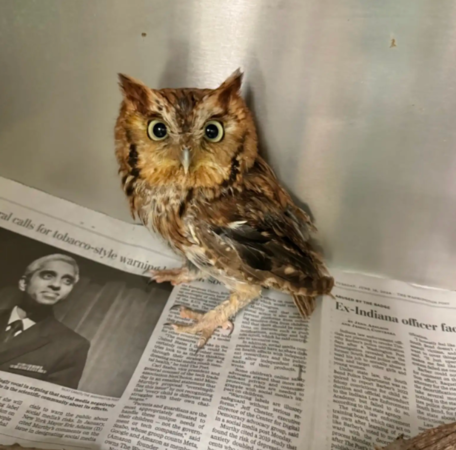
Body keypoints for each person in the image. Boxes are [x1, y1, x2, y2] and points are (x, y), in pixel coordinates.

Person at [0, 254, 90, 389]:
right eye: (48, 276)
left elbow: (51, 403)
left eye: (67, 281)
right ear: (24, 283)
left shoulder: (72, 345)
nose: (56, 285)